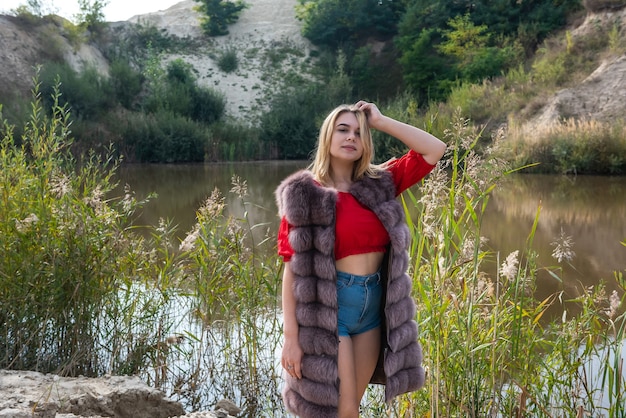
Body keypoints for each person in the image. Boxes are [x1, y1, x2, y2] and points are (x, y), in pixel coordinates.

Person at [275, 101, 446, 418]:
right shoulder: (303, 193)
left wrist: (380, 121)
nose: (351, 137)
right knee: (347, 410)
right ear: (328, 136)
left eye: (359, 132)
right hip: (330, 310)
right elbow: (291, 269)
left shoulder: (380, 183)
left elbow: (434, 149)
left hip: (373, 312)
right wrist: (291, 339)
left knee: (350, 406)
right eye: (343, 130)